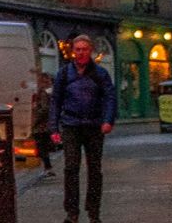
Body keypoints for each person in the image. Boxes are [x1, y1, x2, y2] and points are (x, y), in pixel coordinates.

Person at [50, 35, 116, 223]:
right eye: (77, 49)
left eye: (84, 49)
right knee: (71, 168)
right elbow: (56, 101)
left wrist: (108, 120)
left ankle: (93, 212)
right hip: (71, 126)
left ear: (90, 51)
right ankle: (72, 212)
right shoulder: (64, 74)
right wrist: (53, 128)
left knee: (94, 170)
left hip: (94, 126)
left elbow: (110, 98)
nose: (81, 53)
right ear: (73, 51)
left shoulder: (100, 73)